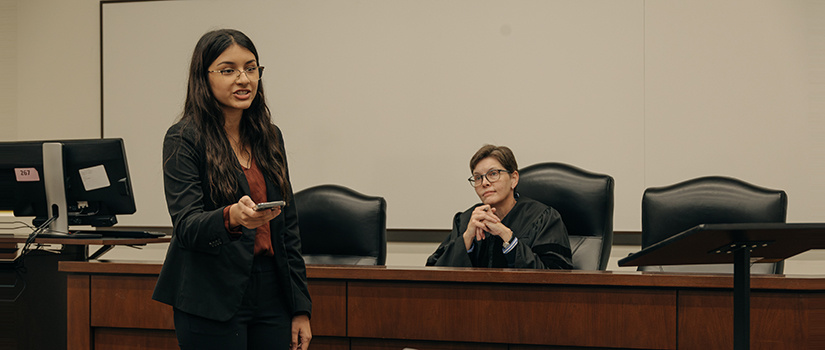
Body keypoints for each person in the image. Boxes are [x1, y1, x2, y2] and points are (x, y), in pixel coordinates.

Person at [152, 29, 311, 350]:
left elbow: (287, 229)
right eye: (228, 70)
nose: (244, 79)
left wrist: (300, 308)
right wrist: (231, 217)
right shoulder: (184, 137)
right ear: (203, 77)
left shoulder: (269, 136)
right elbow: (186, 227)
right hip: (210, 292)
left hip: (271, 293)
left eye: (251, 68)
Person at [426, 145, 573, 269]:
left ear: (514, 179)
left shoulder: (544, 218)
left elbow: (556, 276)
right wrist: (466, 239)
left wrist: (508, 238)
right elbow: (433, 272)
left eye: (493, 173)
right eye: (478, 177)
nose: (484, 182)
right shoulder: (465, 221)